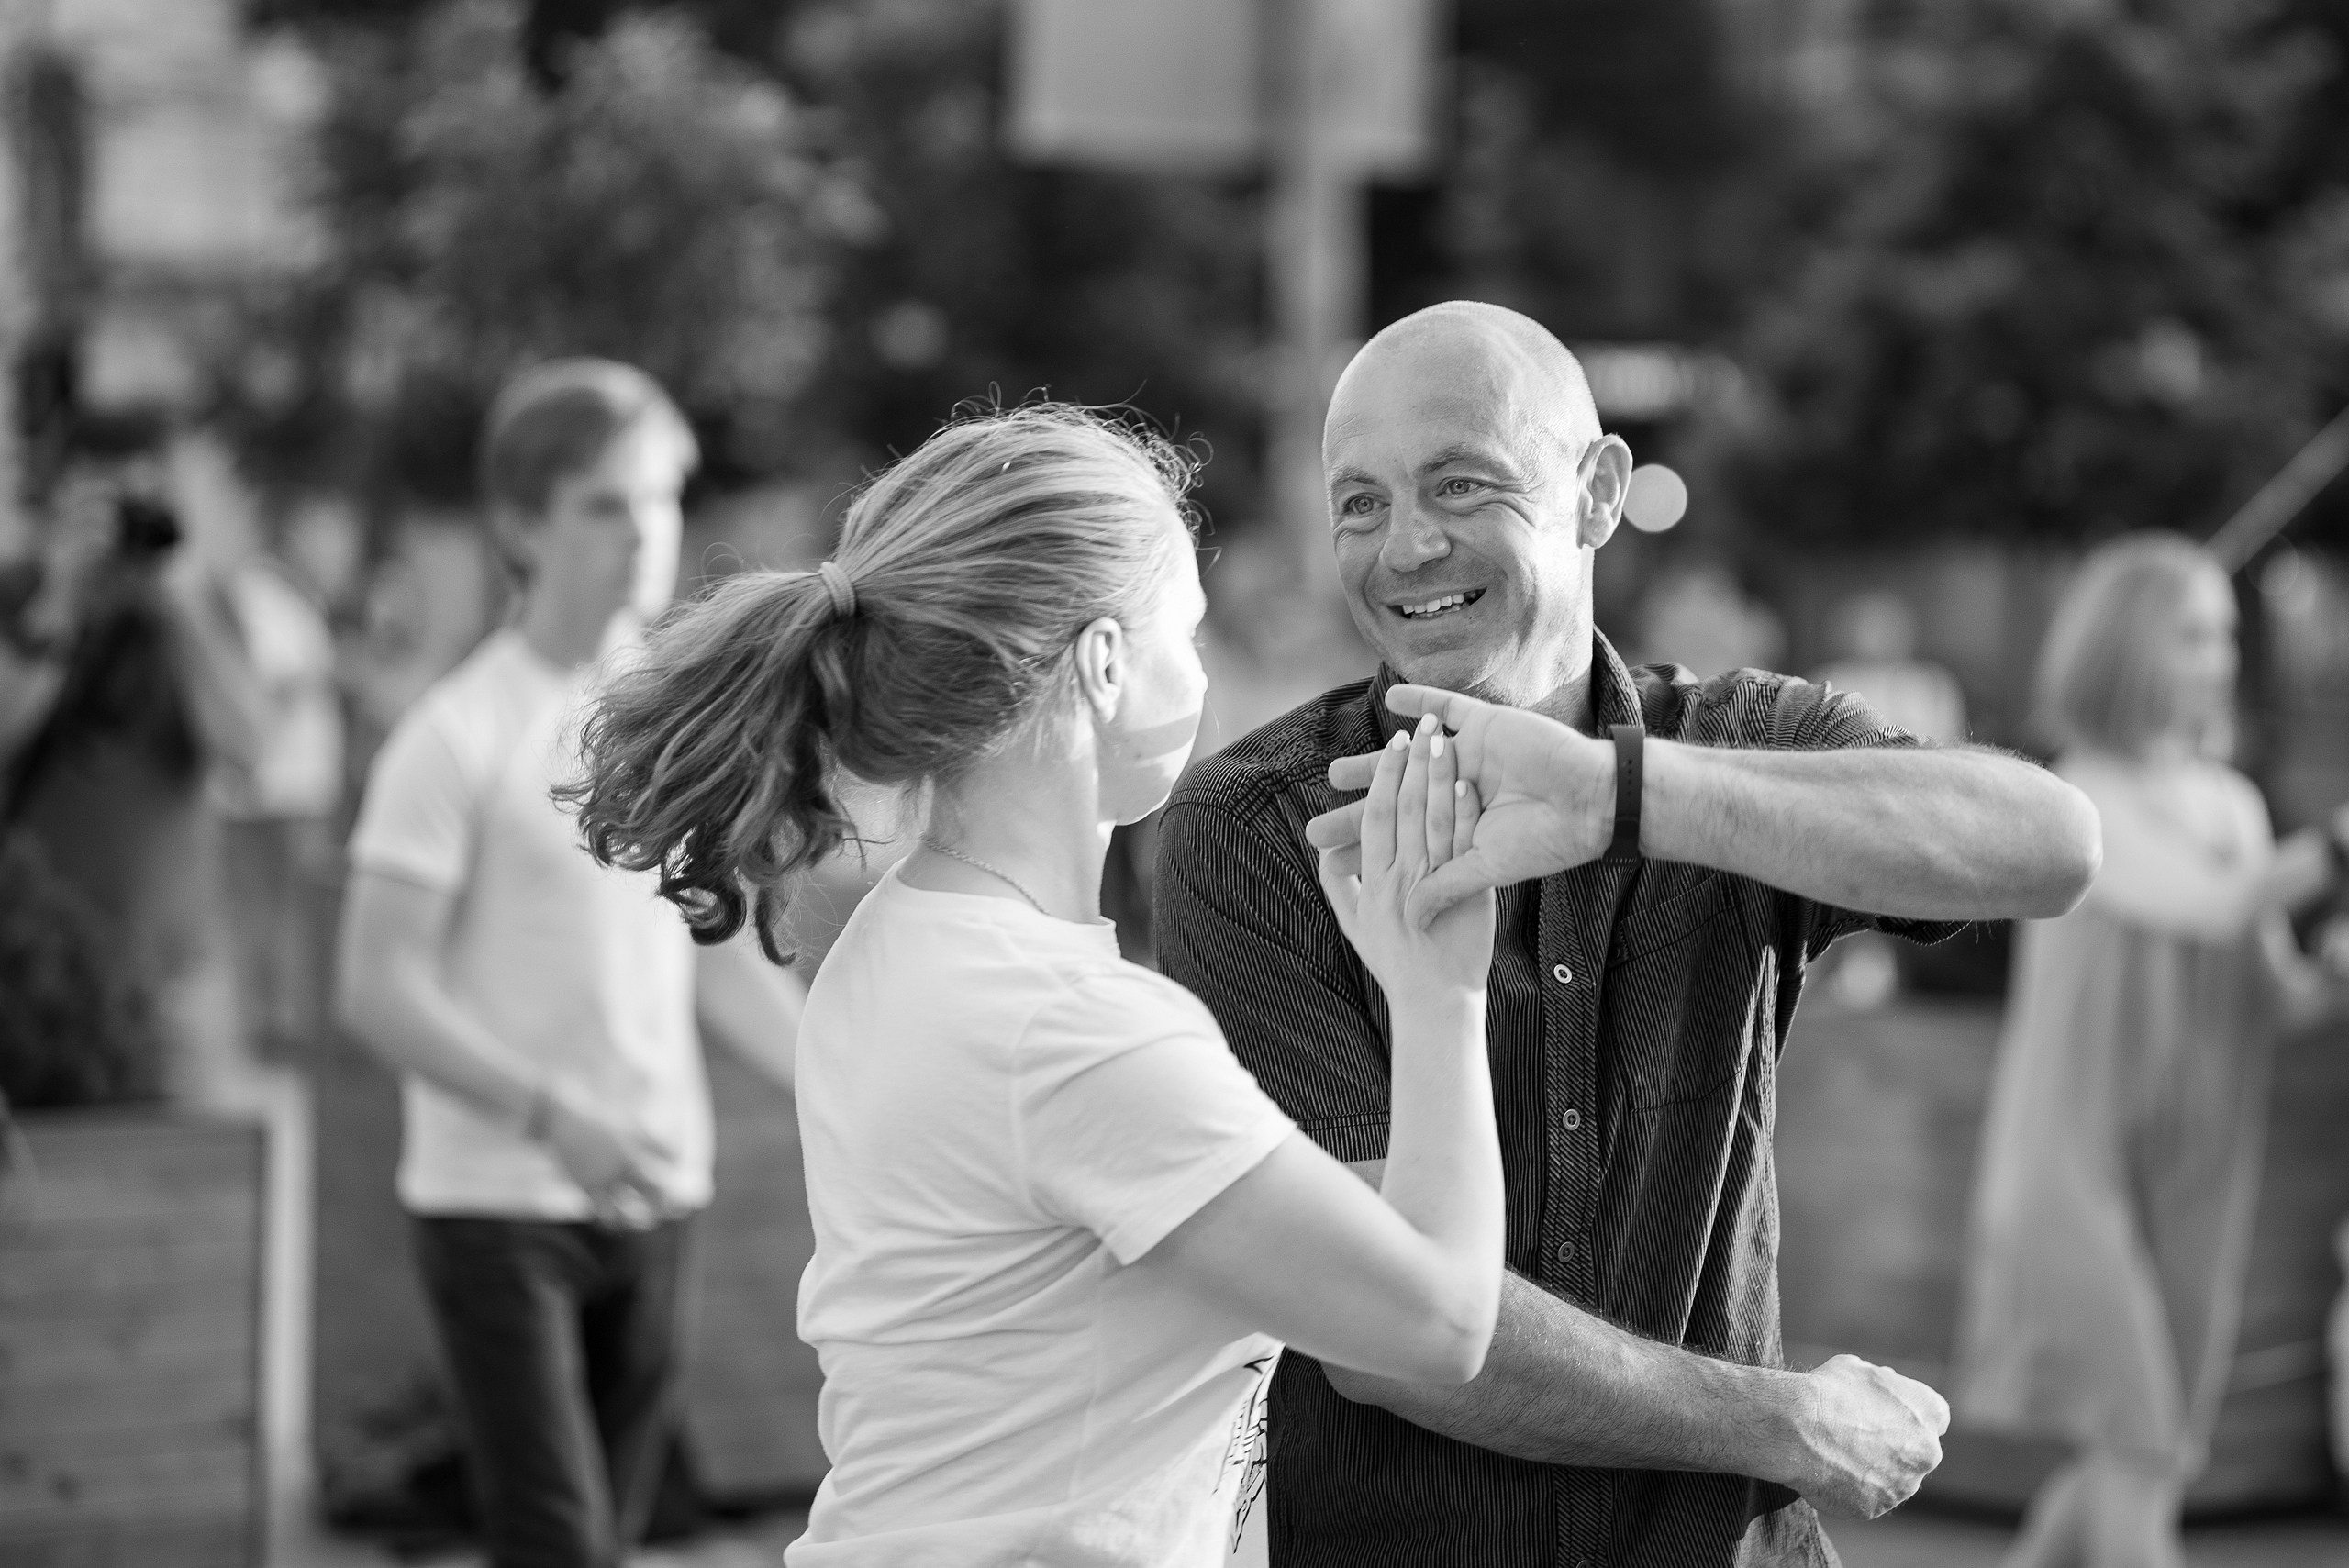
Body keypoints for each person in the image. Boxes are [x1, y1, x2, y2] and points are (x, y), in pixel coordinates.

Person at [1153, 300, 2105, 1568]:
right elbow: (1383, 1327)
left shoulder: (1735, 745)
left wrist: (1625, 795)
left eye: (1458, 482)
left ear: (1598, 491)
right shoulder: (1260, 825)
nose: (1407, 546)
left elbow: (2049, 844)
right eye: (1360, 503)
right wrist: (1782, 1423)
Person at [563, 404, 1508, 1566]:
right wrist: (1437, 991)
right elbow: (1443, 1321)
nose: (1203, 675)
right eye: (1187, 634)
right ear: (1106, 661)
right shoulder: (1069, 1026)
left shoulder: (900, 938)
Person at [335, 360, 807, 1568]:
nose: (645, 531)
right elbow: (375, 986)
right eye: (606, 502)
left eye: (658, 498)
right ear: (519, 524)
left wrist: (848, 1074)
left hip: (657, 1190)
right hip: (498, 1207)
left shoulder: (669, 720)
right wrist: (554, 1118)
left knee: (620, 1535)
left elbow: (710, 954)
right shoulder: (455, 737)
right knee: (560, 1547)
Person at [1953, 534, 2349, 1568]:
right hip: (2070, 1167)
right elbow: (2210, 907)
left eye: (2223, 633)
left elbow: (2275, 1002)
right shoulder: (2074, 799)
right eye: (2190, 632)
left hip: (2197, 1172)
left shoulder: (2232, 803)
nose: (2216, 656)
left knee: (2134, 1457)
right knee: (2143, 1446)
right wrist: (2336, 850)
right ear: (2126, 644)